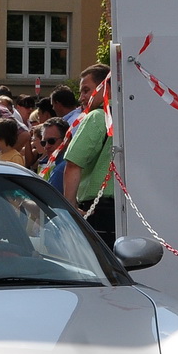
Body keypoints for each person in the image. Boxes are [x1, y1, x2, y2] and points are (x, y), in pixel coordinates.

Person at [62, 64, 115, 246]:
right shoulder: (127, 116)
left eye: (86, 90)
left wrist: (70, 207)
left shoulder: (96, 117)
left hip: (95, 210)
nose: (81, 98)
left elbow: (73, 165)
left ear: (105, 87)